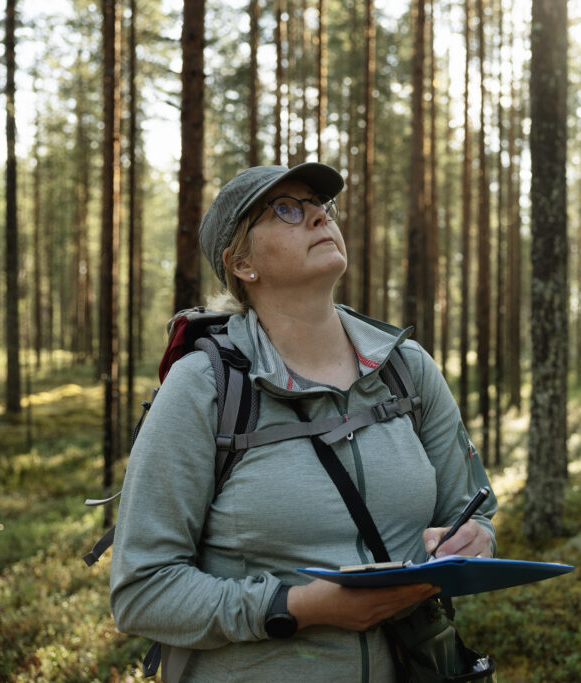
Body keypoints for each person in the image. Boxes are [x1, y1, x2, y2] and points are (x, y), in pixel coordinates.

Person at [109, 162, 497, 681]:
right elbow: (142, 592)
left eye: (322, 206)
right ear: (242, 263)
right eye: (287, 210)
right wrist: (297, 607)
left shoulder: (408, 369)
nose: (318, 218)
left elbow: (472, 512)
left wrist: (476, 538)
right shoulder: (203, 387)